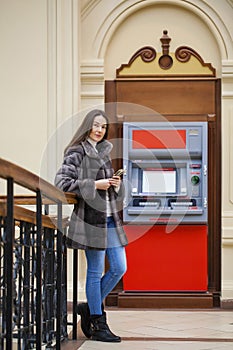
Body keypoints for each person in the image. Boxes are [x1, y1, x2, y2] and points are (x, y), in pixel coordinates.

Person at [55, 109, 128, 342]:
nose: (99, 130)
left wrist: (115, 184)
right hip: (90, 222)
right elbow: (62, 183)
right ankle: (98, 322)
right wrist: (94, 184)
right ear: (88, 126)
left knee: (119, 267)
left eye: (103, 127)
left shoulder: (103, 152)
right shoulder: (76, 151)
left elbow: (111, 192)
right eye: (96, 125)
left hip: (109, 220)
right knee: (95, 272)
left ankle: (87, 308)